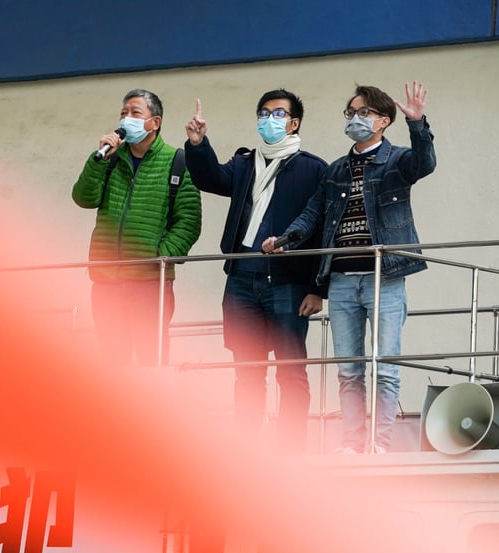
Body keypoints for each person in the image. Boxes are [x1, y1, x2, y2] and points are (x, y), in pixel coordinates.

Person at [263, 82, 436, 454]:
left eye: (364, 113)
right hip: (340, 281)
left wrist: (418, 124)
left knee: (385, 367)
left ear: (383, 121)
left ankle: (381, 443)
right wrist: (285, 239)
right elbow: (313, 212)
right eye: (351, 112)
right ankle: (352, 443)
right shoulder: (337, 169)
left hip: (384, 278)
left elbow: (426, 164)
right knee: (349, 371)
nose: (355, 119)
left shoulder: (397, 161)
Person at [184, 90, 327, 451]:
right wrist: (198, 144)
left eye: (278, 114)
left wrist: (317, 287)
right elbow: (211, 179)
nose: (269, 119)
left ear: (294, 123)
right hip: (242, 280)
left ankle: (290, 451)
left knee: (291, 370)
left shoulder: (313, 168)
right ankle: (247, 452)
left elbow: (323, 229)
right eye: (264, 112)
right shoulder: (245, 163)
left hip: (289, 281)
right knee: (247, 371)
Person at [72, 89, 202, 365]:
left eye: (135, 112)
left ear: (154, 122)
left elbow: (189, 221)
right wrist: (99, 161)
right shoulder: (110, 160)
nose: (126, 118)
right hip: (107, 280)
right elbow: (83, 198)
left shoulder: (176, 161)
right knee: (112, 363)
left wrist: (158, 255)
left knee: (150, 360)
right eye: (123, 113)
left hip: (149, 282)